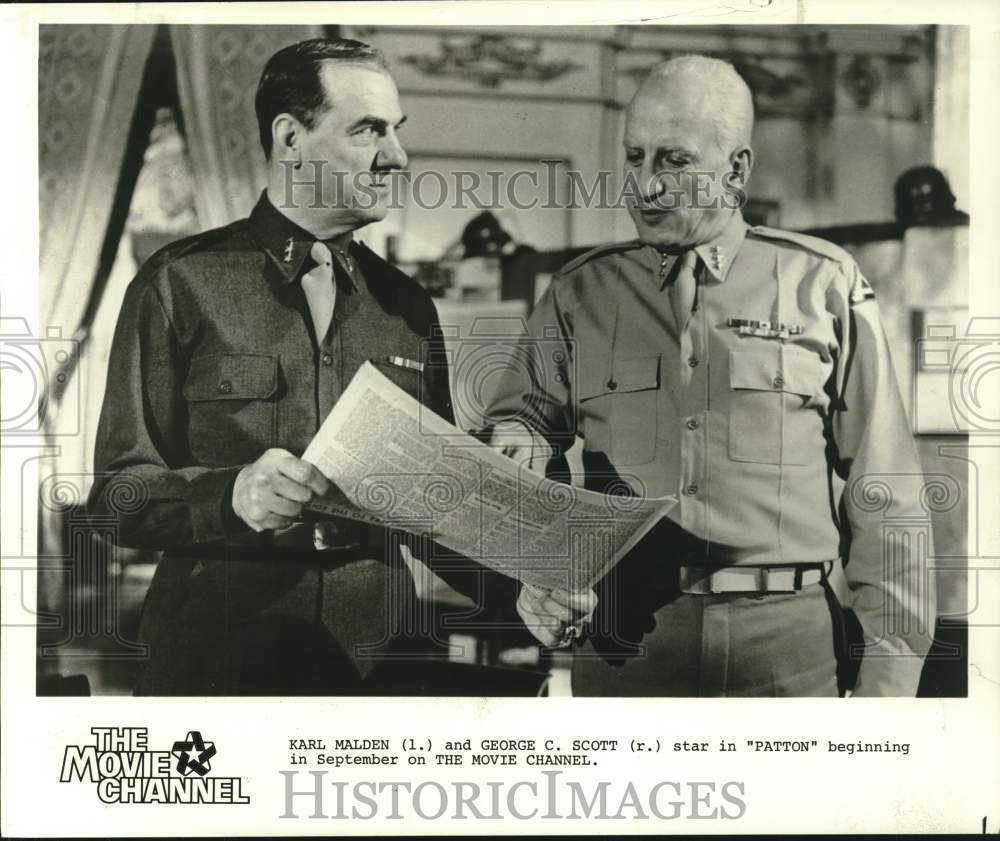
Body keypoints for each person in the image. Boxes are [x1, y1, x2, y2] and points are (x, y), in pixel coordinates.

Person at [485, 55, 935, 697]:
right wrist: (537, 571)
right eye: (634, 157)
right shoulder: (579, 293)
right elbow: (517, 442)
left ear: (737, 171)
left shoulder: (820, 284)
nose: (645, 185)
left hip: (790, 647)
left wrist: (890, 677)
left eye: (673, 160)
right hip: (625, 643)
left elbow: (885, 489)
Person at [88, 37, 468, 695]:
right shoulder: (180, 283)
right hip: (219, 658)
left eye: (396, 132)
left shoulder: (406, 307)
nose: (397, 156)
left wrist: (531, 587)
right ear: (290, 137)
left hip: (379, 662)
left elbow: (437, 507)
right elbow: (118, 497)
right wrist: (230, 495)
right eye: (369, 130)